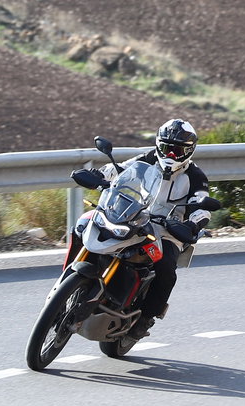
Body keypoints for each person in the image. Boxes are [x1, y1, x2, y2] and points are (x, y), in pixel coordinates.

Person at [69, 118, 212, 340]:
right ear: (158, 144)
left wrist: (193, 223)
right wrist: (100, 175)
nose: (171, 154)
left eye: (177, 151)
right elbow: (120, 169)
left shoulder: (195, 176)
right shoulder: (148, 158)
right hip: (135, 214)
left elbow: (202, 206)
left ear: (189, 151)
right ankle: (71, 277)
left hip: (169, 229)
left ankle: (146, 317)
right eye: (167, 148)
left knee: (166, 268)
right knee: (83, 224)